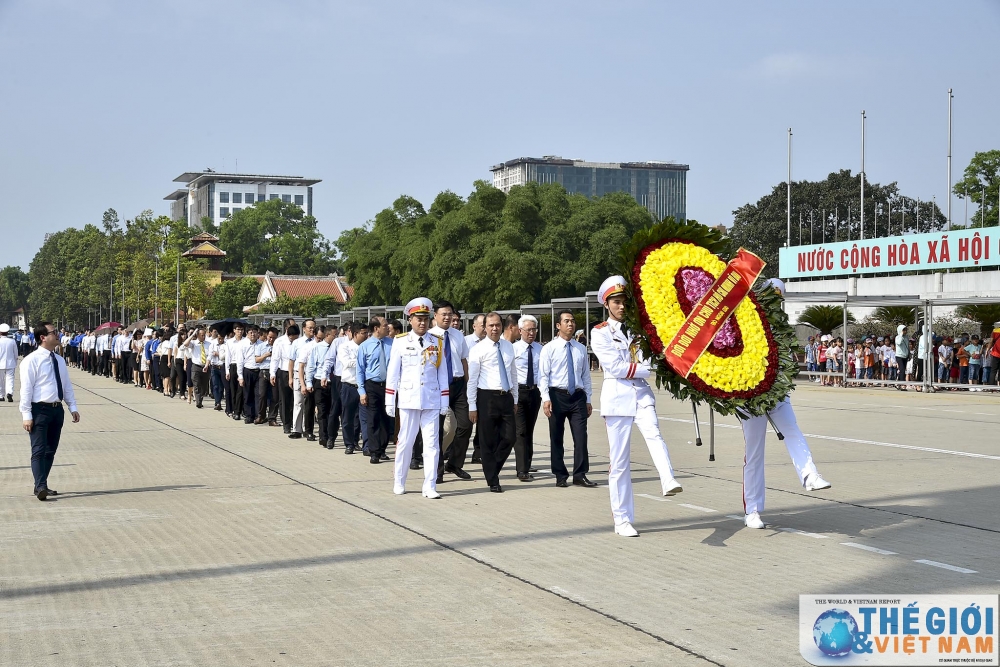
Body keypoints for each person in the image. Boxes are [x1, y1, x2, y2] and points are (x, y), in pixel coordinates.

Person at [590, 276, 682, 538]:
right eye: (616, 302)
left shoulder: (638, 330)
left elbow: (649, 357)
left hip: (641, 395)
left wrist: (648, 367)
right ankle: (622, 519)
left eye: (624, 302)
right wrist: (647, 369)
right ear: (607, 304)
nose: (621, 307)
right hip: (617, 398)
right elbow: (616, 368)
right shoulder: (600, 332)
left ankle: (668, 478)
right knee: (619, 462)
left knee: (654, 433)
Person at [735, 280, 831, 529]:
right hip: (750, 398)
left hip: (777, 394)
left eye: (779, 299)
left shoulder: (782, 329)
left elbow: (787, 363)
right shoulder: (745, 320)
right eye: (771, 298)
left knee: (792, 430)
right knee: (754, 454)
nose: (774, 303)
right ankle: (752, 510)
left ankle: (810, 475)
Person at [385, 297, 451, 498]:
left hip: (431, 399)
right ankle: (399, 480)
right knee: (405, 441)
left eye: (425, 318)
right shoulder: (401, 341)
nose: (422, 322)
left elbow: (442, 373)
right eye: (417, 318)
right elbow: (393, 373)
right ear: (410, 320)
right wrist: (390, 399)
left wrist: (444, 401)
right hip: (408, 398)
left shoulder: (436, 342)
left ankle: (430, 485)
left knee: (432, 444)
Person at [19, 321, 81, 501]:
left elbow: (66, 385)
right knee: (38, 449)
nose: (58, 335)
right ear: (43, 337)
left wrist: (72, 407)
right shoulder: (31, 360)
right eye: (54, 332)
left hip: (56, 409)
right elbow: (26, 390)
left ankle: (42, 484)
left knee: (50, 450)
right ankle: (40, 487)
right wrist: (27, 415)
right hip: (39, 409)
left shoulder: (59, 360)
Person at [540, 309, 594, 487]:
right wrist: (545, 399)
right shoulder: (549, 348)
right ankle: (560, 475)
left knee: (581, 437)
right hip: (557, 396)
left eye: (572, 321)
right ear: (558, 325)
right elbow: (543, 376)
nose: (570, 324)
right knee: (556, 437)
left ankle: (580, 474)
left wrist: (588, 399)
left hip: (577, 397)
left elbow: (585, 376)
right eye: (566, 321)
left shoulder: (580, 349)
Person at [468, 312, 518, 493]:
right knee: (487, 440)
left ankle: (492, 468)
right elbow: (472, 380)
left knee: (510, 437)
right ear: (485, 327)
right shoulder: (478, 350)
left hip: (506, 396)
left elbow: (513, 373)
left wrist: (515, 397)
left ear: (501, 325)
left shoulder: (508, 347)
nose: (494, 328)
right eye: (491, 326)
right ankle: (493, 480)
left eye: (497, 325)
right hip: (486, 397)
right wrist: (472, 406)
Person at [430, 301, 473, 483]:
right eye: (444, 314)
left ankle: (455, 464)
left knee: (466, 425)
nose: (447, 318)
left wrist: (468, 383)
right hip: (439, 387)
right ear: (436, 316)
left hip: (458, 386)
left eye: (450, 314)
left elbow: (463, 360)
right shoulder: (429, 336)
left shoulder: (457, 335)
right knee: (437, 430)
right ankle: (437, 469)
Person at [512, 314, 542, 482]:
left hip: (534, 392)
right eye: (528, 329)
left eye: (534, 329)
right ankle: (522, 470)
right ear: (520, 330)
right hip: (519, 392)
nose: (531, 333)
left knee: (529, 430)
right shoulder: (513, 349)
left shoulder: (540, 349)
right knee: (520, 431)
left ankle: (527, 463)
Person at [358, 317, 393, 464]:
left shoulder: (393, 343)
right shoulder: (365, 346)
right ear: (376, 328)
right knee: (373, 419)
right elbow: (360, 370)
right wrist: (362, 391)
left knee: (387, 419)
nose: (388, 328)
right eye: (385, 326)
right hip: (372, 385)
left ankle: (382, 449)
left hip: (389, 385)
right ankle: (374, 451)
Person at [339, 322, 368, 454]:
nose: (366, 335)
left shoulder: (367, 347)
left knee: (362, 417)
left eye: (367, 333)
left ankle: (361, 443)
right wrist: (362, 361)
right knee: (348, 417)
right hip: (349, 386)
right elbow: (347, 363)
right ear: (355, 334)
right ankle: (349, 443)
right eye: (363, 333)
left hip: (364, 387)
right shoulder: (344, 347)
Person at [289, 319, 317, 439]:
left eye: (313, 328)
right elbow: (291, 361)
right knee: (298, 402)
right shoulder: (297, 343)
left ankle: (308, 429)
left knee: (310, 404)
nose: (312, 330)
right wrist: (290, 377)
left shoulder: (317, 343)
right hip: (298, 373)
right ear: (304, 328)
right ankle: (296, 429)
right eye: (310, 328)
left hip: (312, 375)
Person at [270, 319, 297, 430]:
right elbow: (275, 358)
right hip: (284, 371)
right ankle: (286, 424)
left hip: (296, 372)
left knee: (295, 400)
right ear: (286, 328)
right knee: (285, 399)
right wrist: (272, 373)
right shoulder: (280, 341)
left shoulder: (298, 340)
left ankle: (295, 423)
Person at [238, 326, 262, 423]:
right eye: (251, 332)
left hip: (259, 371)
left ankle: (257, 415)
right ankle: (249, 415)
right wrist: (240, 376)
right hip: (247, 370)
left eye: (255, 332)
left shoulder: (261, 344)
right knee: (247, 394)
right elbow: (240, 361)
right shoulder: (242, 344)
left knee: (258, 394)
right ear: (247, 334)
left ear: (258, 333)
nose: (253, 334)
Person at [184, 327, 211, 409]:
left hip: (205, 366)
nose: (203, 337)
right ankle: (198, 401)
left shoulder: (209, 344)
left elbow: (209, 356)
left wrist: (207, 365)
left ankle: (201, 397)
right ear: (198, 335)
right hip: (196, 366)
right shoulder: (194, 343)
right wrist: (192, 335)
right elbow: (185, 344)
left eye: (204, 335)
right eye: (201, 335)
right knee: (196, 384)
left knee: (204, 385)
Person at [255, 328, 277, 423]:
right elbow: (256, 360)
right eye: (270, 337)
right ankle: (261, 416)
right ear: (266, 336)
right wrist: (265, 355)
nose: (271, 339)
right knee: (262, 395)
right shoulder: (261, 346)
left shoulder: (278, 346)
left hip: (275, 373)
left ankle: (272, 418)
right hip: (264, 371)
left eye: (274, 338)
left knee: (274, 396)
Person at [0, 323, 18, 402]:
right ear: (8, 332)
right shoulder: (12, 341)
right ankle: (9, 393)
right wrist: (15, 360)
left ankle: (1, 395)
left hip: (0, 363)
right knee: (10, 379)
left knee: (1, 380)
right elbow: (16, 353)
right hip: (10, 363)